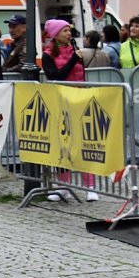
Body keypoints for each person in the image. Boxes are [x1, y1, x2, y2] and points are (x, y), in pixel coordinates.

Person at [41, 19, 97, 202]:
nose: (68, 33)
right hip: (61, 102)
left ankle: (90, 185)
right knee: (63, 144)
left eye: (69, 30)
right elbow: (55, 76)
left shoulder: (74, 50)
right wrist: (73, 60)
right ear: (55, 34)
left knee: (82, 142)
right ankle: (63, 186)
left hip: (78, 99)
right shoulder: (48, 55)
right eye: (64, 30)